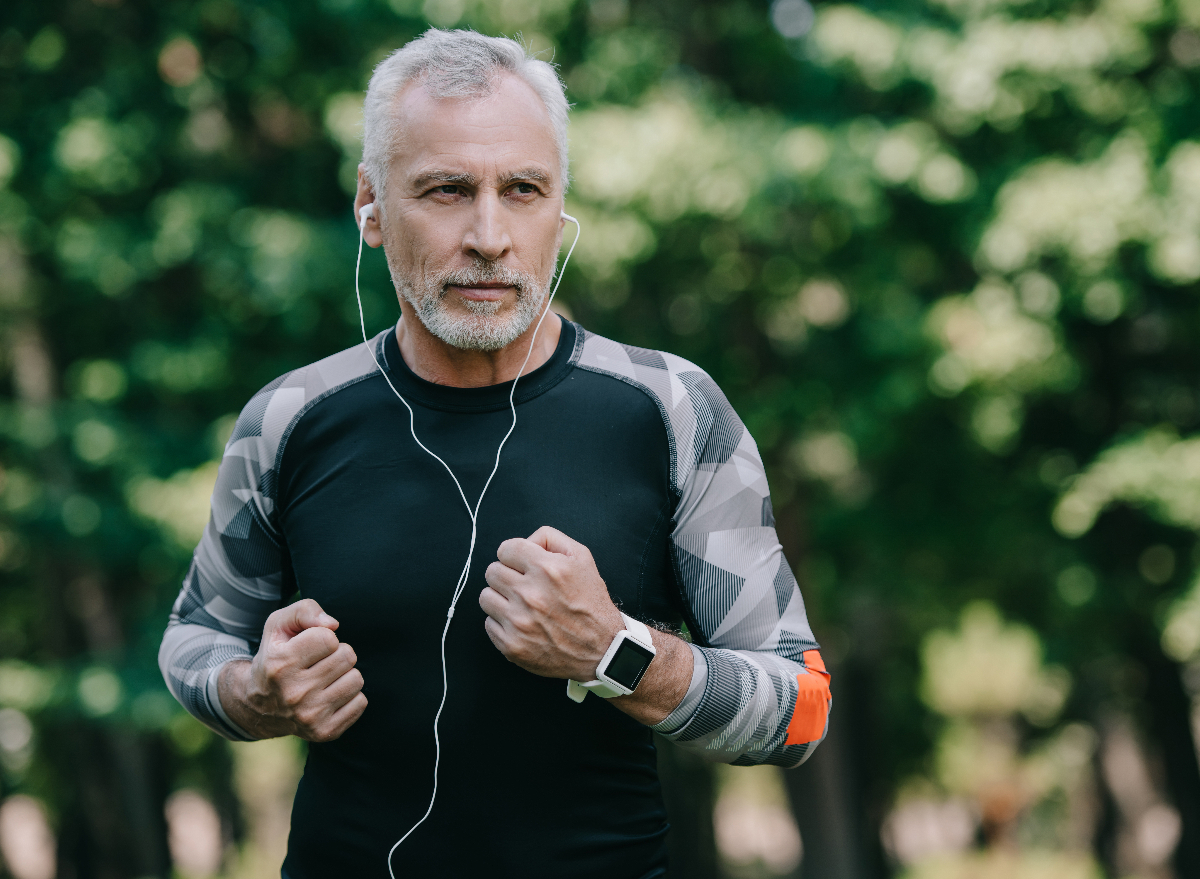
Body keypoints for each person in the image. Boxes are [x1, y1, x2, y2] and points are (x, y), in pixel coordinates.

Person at [158, 28, 831, 879]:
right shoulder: (288, 417)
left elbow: (801, 710)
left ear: (561, 204)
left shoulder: (670, 409)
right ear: (370, 204)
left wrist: (614, 651)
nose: (489, 234)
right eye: (445, 189)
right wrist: (251, 691)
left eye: (522, 189)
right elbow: (193, 637)